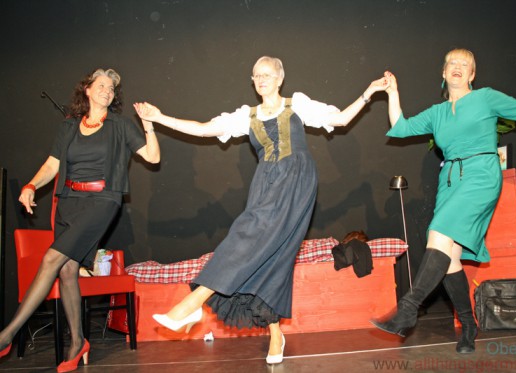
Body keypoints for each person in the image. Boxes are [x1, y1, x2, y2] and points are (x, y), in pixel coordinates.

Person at [134, 56, 388, 364]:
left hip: (295, 181)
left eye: (267, 74)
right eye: (256, 75)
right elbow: (204, 129)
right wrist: (160, 118)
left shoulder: (299, 105)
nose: (261, 79)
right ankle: (276, 334)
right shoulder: (246, 116)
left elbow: (342, 119)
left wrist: (369, 92)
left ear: (280, 78)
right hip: (265, 186)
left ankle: (190, 305)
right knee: (270, 258)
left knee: (248, 234)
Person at [371, 48, 516, 354]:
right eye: (451, 64)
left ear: (472, 75)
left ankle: (408, 306)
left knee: (438, 235)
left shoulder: (485, 98)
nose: (457, 67)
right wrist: (392, 92)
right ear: (444, 74)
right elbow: (402, 127)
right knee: (448, 258)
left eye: (464, 65)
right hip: (450, 181)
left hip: (481, 174)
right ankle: (469, 325)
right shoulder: (437, 113)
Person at [0, 68, 160, 372]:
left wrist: (149, 126)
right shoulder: (69, 127)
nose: (107, 90)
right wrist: (32, 185)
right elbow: (53, 164)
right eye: (101, 85)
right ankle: (78, 343)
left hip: (102, 201)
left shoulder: (120, 126)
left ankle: (7, 334)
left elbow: (152, 158)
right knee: (67, 270)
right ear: (87, 90)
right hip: (69, 202)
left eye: (112, 88)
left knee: (51, 260)